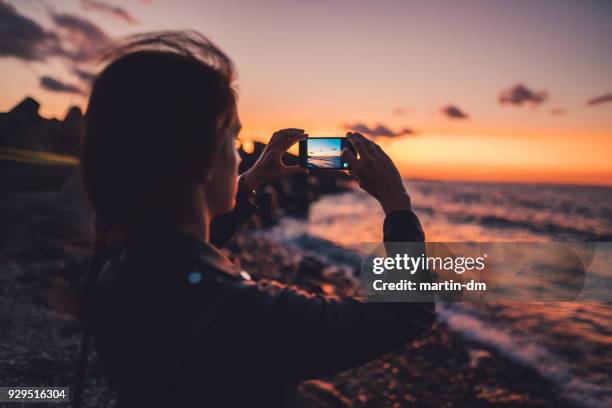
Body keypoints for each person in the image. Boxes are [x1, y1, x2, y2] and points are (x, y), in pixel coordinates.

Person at [80, 31, 434, 408]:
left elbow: (179, 243)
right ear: (202, 162)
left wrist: (251, 181)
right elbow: (405, 313)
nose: (241, 156)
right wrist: (397, 206)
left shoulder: (124, 261)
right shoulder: (235, 311)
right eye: (234, 143)